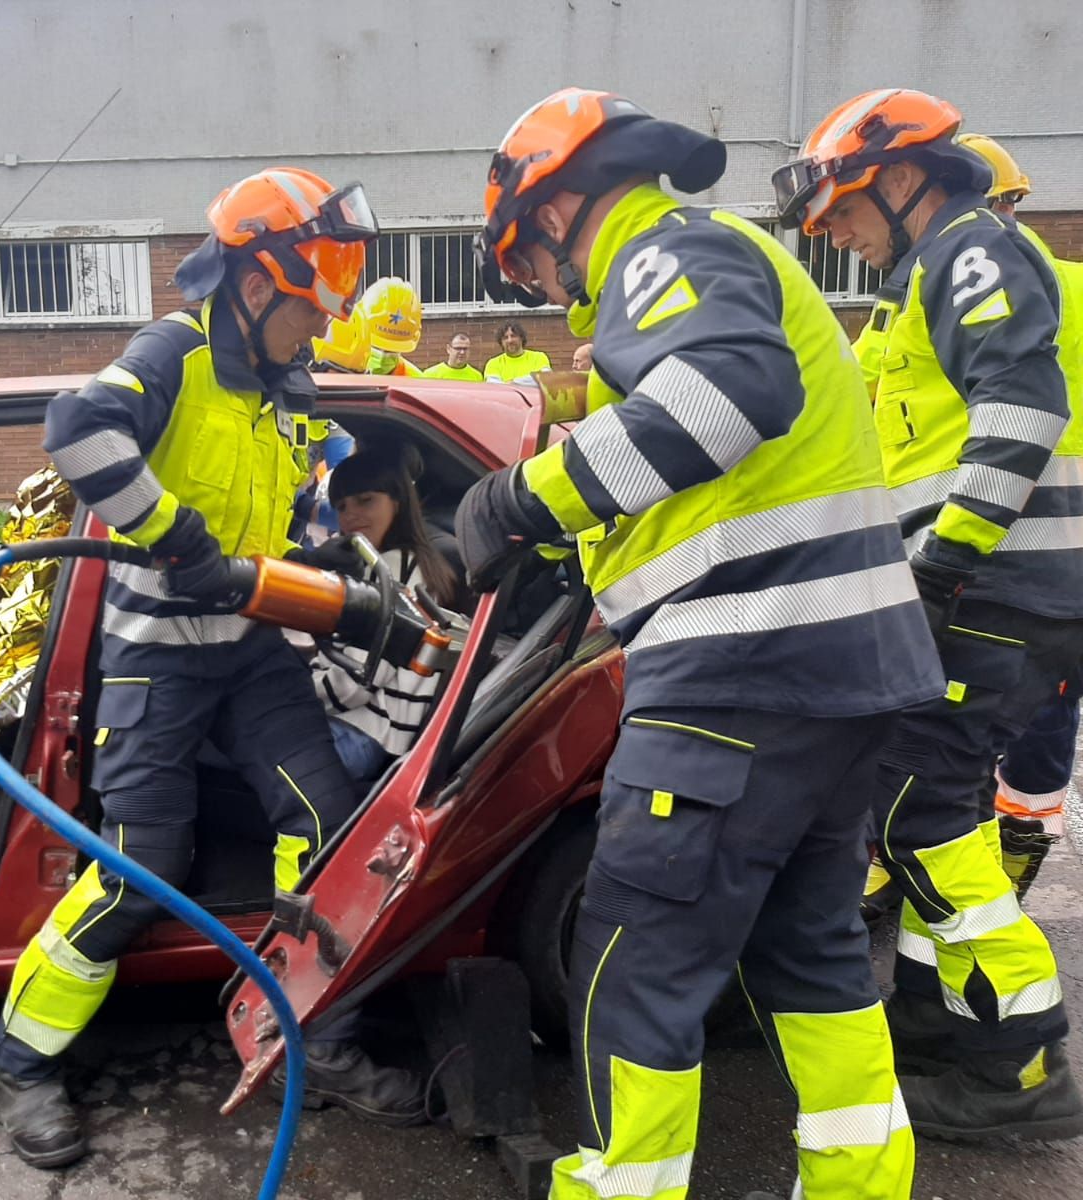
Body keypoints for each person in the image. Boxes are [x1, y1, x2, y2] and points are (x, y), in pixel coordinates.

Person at [463, 86, 938, 1199]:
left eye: (521, 256)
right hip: (840, 678)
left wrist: (520, 503)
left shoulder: (656, 250)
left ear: (555, 206)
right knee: (808, 954)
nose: (532, 284)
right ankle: (860, 1185)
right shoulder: (701, 265)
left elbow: (727, 396)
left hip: (740, 675)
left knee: (634, 965)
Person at [0, 167, 425, 1168]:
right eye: (308, 310)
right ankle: (21, 1060)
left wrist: (346, 568)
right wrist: (176, 535)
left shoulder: (287, 386)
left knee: (322, 833)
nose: (316, 332)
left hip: (251, 650)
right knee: (141, 870)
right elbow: (77, 433)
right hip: (156, 657)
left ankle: (304, 1034)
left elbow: (295, 513)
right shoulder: (174, 356)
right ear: (257, 285)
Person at [778, 88, 1083, 1142]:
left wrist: (942, 563)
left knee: (916, 808)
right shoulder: (928, 278)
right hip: (991, 591)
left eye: (844, 215)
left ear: (903, 178)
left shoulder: (970, 254)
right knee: (919, 805)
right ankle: (936, 1019)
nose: (838, 240)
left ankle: (1018, 1064)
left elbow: (1022, 410)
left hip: (992, 592)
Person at [957, 131, 1081, 897]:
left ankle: (978, 870)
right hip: (1037, 557)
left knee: (972, 720)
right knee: (1045, 711)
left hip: (1009, 553)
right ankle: (1010, 851)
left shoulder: (962, 295)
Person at [310, 447, 462, 782]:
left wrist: (300, 690)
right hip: (375, 733)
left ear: (398, 501)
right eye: (342, 507)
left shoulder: (392, 572)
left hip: (364, 735)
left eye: (366, 501)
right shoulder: (411, 562)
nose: (351, 517)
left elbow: (357, 682)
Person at [361, 276, 424, 375]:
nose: (383, 357)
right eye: (376, 347)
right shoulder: (338, 371)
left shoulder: (416, 381)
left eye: (391, 351)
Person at [483, 319, 552, 382]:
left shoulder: (538, 357)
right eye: (505, 338)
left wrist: (512, 382)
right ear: (501, 342)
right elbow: (496, 388)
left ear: (521, 338)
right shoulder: (493, 363)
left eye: (513, 336)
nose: (510, 340)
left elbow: (545, 379)